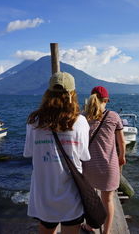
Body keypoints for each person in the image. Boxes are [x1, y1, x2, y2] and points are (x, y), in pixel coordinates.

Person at [23, 72, 90, 234]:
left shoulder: (34, 122)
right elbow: (84, 156)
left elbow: (29, 152)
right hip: (71, 195)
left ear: (48, 93)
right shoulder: (80, 122)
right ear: (72, 94)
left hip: (44, 194)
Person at [83, 86, 126, 234]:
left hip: (88, 166)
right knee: (108, 200)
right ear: (106, 100)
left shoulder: (83, 117)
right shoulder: (113, 116)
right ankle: (106, 232)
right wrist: (122, 158)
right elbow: (122, 143)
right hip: (108, 167)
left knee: (91, 199)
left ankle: (90, 226)